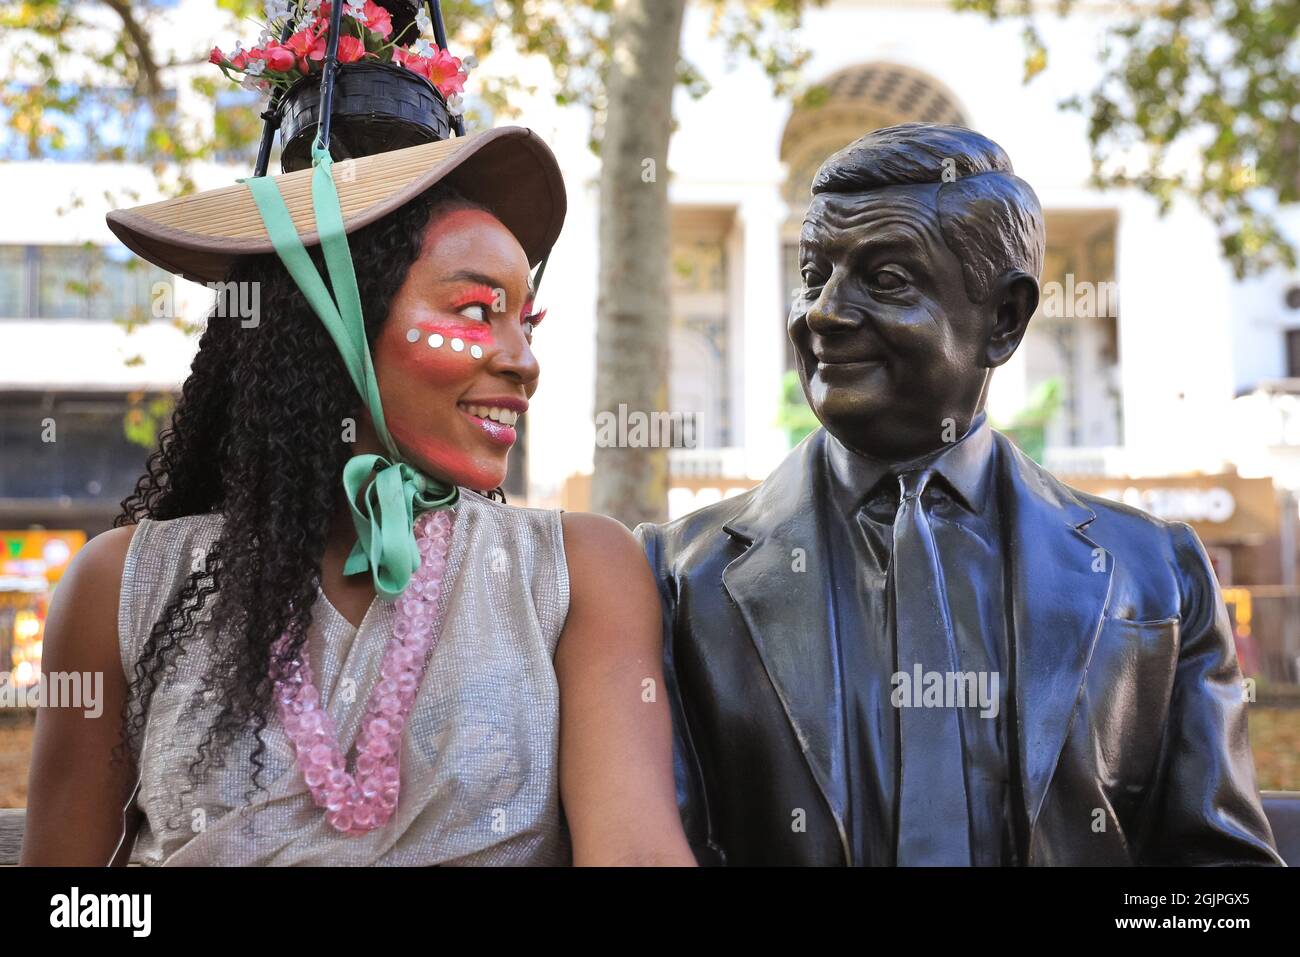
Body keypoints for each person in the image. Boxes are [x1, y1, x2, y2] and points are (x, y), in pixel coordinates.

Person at [22, 126, 695, 866]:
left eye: (524, 322)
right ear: (331, 322)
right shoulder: (122, 585)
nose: (523, 361)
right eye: (477, 312)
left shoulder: (581, 572)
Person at [635, 123, 1283, 866]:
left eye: (886, 281)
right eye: (815, 273)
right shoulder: (677, 574)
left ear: (1004, 319)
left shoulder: (1157, 572)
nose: (824, 312)